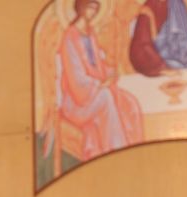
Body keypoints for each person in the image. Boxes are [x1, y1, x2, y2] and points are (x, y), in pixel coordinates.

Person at [59, 0, 143, 162]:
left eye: (95, 9)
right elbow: (75, 76)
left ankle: (132, 149)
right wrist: (99, 85)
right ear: (81, 8)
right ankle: (117, 150)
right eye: (90, 8)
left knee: (128, 102)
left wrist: (109, 72)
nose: (93, 13)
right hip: (77, 101)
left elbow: (96, 64)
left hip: (94, 91)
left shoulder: (90, 34)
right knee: (106, 97)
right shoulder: (69, 37)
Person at [130, 0, 187, 76]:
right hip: (163, 58)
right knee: (177, 67)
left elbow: (185, 35)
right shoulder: (148, 10)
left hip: (183, 53)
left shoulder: (177, 3)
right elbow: (140, 46)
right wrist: (162, 67)